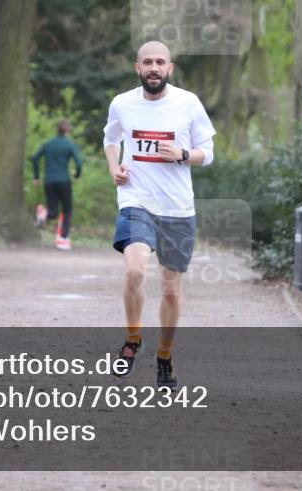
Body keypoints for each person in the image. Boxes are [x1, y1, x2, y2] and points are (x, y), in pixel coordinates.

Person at [102, 41, 216, 389]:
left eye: (160, 62)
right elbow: (110, 138)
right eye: (147, 62)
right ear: (138, 68)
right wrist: (113, 168)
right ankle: (133, 338)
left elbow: (207, 153)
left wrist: (182, 153)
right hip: (137, 200)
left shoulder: (188, 103)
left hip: (177, 208)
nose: (154, 67)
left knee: (170, 290)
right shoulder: (122, 103)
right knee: (135, 271)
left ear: (170, 68)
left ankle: (165, 355)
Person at [31, 119, 83, 250]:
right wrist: (76, 174)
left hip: (49, 181)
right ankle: (63, 239)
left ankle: (44, 212)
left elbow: (35, 158)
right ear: (68, 130)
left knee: (53, 211)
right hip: (64, 181)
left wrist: (36, 176)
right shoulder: (70, 145)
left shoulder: (48, 144)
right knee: (67, 209)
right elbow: (79, 163)